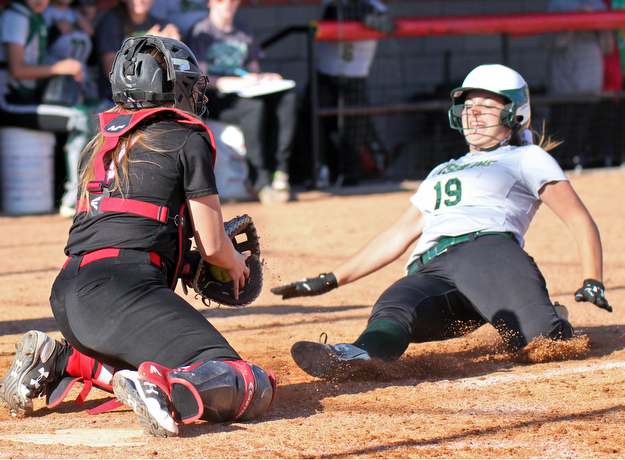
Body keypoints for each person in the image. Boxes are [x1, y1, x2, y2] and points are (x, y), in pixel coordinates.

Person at [0, 35, 276, 437]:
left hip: (70, 291)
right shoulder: (187, 136)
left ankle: (61, 359)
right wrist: (232, 262)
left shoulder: (98, 141)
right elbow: (215, 246)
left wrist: (181, 261)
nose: (194, 93)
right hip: (122, 290)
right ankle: (159, 385)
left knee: (143, 349)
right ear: (169, 87)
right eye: (187, 83)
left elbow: (123, 223)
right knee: (247, 383)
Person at [272, 63, 611, 380]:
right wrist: (330, 279)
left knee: (543, 346)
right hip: (431, 266)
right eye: (468, 106)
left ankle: (554, 320)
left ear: (514, 112)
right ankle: (358, 355)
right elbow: (397, 235)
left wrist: (592, 278)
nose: (473, 113)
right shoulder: (442, 170)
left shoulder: (526, 156)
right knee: (396, 304)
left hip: (489, 254)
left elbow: (578, 218)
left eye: (485, 106)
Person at [187, 0, 297, 205]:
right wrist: (237, 82)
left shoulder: (243, 30)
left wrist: (264, 78)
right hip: (216, 98)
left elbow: (252, 69)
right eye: (220, 0)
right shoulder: (201, 31)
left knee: (287, 99)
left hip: (245, 91)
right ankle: (258, 178)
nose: (227, 4)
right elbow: (200, 79)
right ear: (210, 3)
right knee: (255, 108)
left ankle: (280, 170)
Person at [0, 0, 91, 217]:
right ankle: (74, 197)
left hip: (26, 100)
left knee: (88, 113)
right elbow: (17, 69)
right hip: (9, 102)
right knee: (81, 120)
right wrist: (61, 67)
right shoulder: (16, 16)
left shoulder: (36, 16)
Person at [313, 0, 393, 187]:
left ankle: (350, 180)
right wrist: (364, 15)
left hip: (355, 79)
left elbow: (387, 25)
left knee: (352, 135)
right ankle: (319, 174)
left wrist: (357, 13)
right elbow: (334, 15)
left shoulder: (377, 6)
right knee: (318, 127)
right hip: (325, 77)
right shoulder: (332, 3)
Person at [546, 0, 613, 170]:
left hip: (591, 81)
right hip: (564, 82)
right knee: (560, 134)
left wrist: (596, 21)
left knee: (582, 133)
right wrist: (573, 21)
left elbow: (608, 47)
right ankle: (553, 174)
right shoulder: (557, 5)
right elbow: (549, 43)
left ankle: (577, 171)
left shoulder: (599, 5)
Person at [94, 0, 180, 103]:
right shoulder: (111, 22)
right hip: (117, 98)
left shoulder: (158, 24)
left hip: (153, 96)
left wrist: (174, 44)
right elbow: (110, 70)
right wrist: (144, 43)